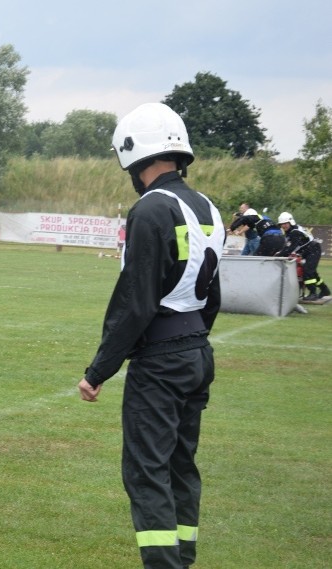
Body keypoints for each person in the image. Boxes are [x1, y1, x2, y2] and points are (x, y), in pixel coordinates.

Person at [77, 103, 225, 569]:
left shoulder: (150, 209)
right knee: (181, 466)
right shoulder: (208, 208)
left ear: (134, 154)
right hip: (197, 351)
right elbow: (213, 296)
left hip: (161, 360)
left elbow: (135, 302)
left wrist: (99, 370)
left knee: (147, 472)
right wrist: (193, 341)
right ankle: (183, 558)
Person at [277, 212, 330, 300]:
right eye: (282, 224)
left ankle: (313, 294)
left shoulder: (295, 232)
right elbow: (288, 246)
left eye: (285, 223)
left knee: (307, 271)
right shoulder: (292, 230)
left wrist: (280, 255)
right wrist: (281, 252)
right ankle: (324, 290)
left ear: (291, 222)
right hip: (310, 250)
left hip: (313, 250)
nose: (283, 226)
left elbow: (291, 247)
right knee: (312, 272)